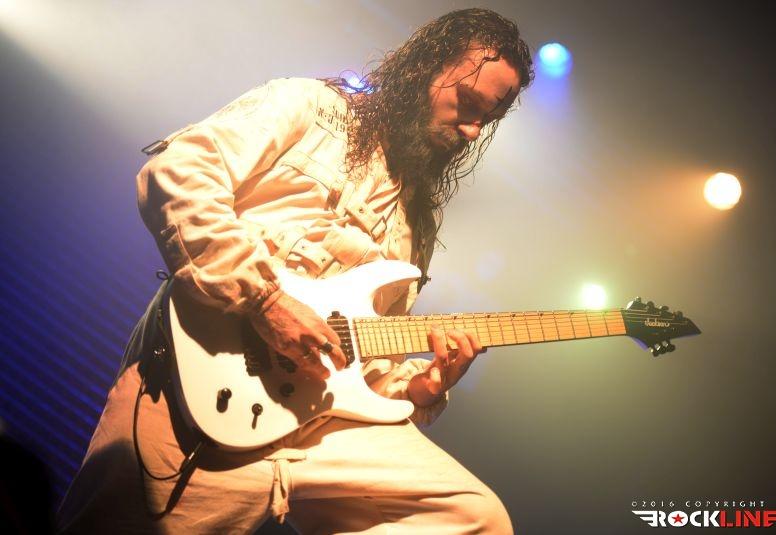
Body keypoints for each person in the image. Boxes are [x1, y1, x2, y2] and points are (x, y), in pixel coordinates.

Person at [57, 8, 532, 534]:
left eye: (486, 119)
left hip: (321, 425)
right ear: (425, 66)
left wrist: (419, 388)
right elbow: (178, 171)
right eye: (467, 102)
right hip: (200, 390)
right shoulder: (308, 105)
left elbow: (364, 364)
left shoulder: (420, 219)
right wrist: (266, 301)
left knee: (474, 518)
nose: (472, 129)